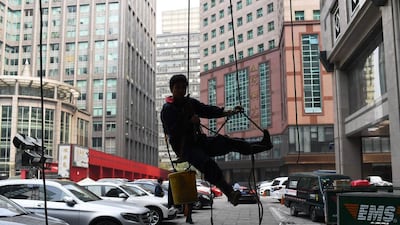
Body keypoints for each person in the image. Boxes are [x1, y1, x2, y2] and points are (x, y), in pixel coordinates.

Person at [161, 74, 273, 206]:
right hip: (185, 148)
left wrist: (227, 112)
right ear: (171, 89)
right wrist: (188, 121)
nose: (180, 90)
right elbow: (172, 131)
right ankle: (230, 193)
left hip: (200, 141)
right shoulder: (167, 109)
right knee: (208, 164)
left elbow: (207, 110)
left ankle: (263, 145)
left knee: (229, 142)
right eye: (177, 87)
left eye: (183, 87)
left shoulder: (190, 103)